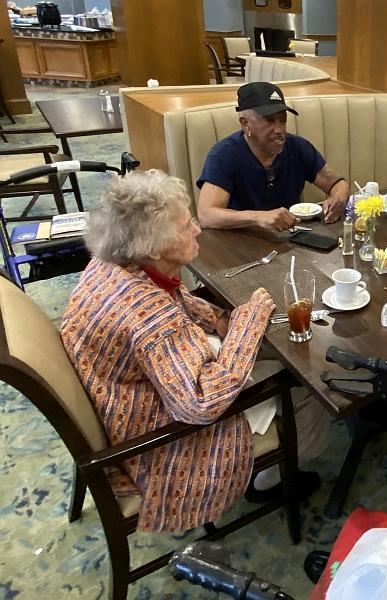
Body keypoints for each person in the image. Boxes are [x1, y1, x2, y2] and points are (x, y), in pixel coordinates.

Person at [61, 170, 328, 533]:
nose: (197, 229)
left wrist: (218, 318)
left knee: (264, 348)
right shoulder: (148, 315)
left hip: (124, 393)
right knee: (307, 382)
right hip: (158, 434)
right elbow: (201, 403)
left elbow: (173, 297)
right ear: (154, 247)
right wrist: (248, 320)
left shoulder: (114, 262)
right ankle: (271, 479)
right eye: (187, 226)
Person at [196, 81, 349, 231]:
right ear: (245, 124)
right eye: (269, 120)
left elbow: (337, 184)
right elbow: (206, 215)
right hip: (241, 240)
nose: (279, 129)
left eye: (282, 120)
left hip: (291, 237)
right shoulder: (224, 155)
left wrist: (338, 198)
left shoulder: (298, 147)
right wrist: (259, 217)